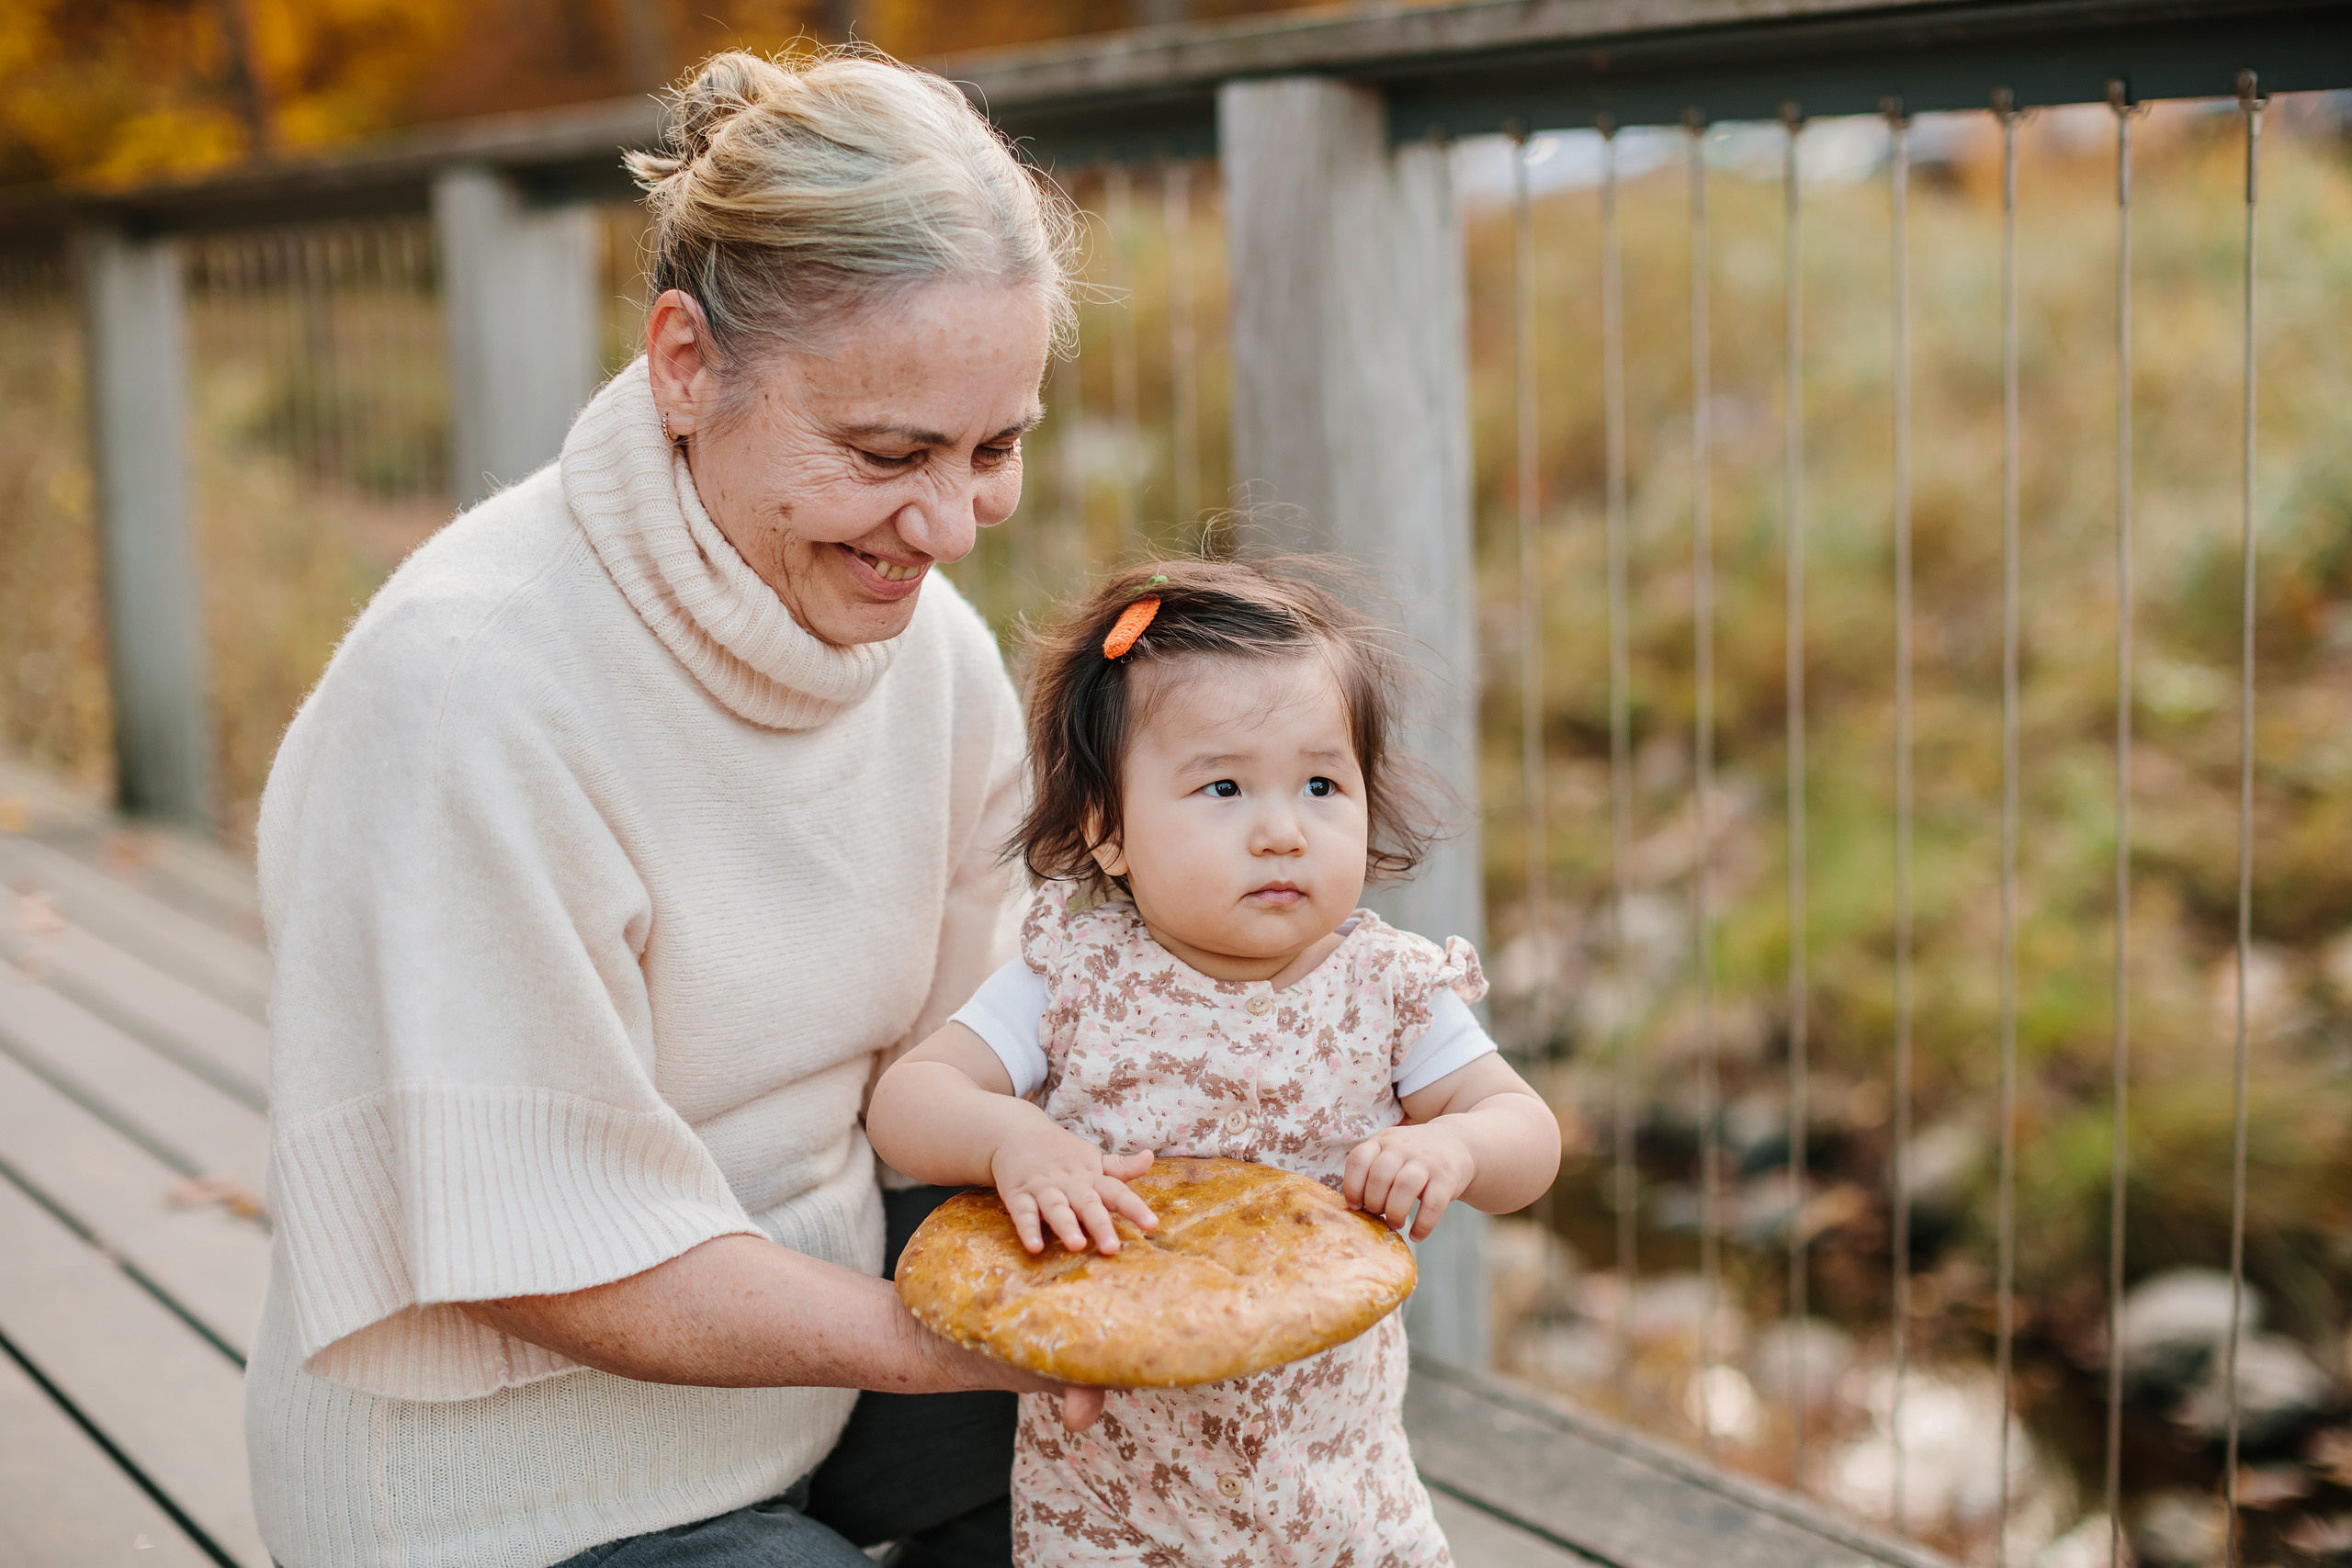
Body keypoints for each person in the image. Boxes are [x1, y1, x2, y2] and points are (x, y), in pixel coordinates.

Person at [245, 48, 1101, 1568]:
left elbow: (965, 1065)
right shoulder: (473, 690)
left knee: (1203, 1430)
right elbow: (537, 1251)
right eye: (889, 454)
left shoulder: (931, 655)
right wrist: (938, 1350)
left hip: (807, 1386)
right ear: (687, 363)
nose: (952, 527)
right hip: (502, 1490)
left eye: (997, 449)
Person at [865, 558, 1565, 1566]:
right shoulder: (1077, 975)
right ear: (1107, 831)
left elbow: (1527, 1136)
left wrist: (1454, 1145)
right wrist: (1016, 1138)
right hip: (1115, 1484)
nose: (1282, 830)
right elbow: (911, 1102)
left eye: (1322, 784)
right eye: (1224, 787)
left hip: (1330, 1475)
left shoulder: (1389, 989)